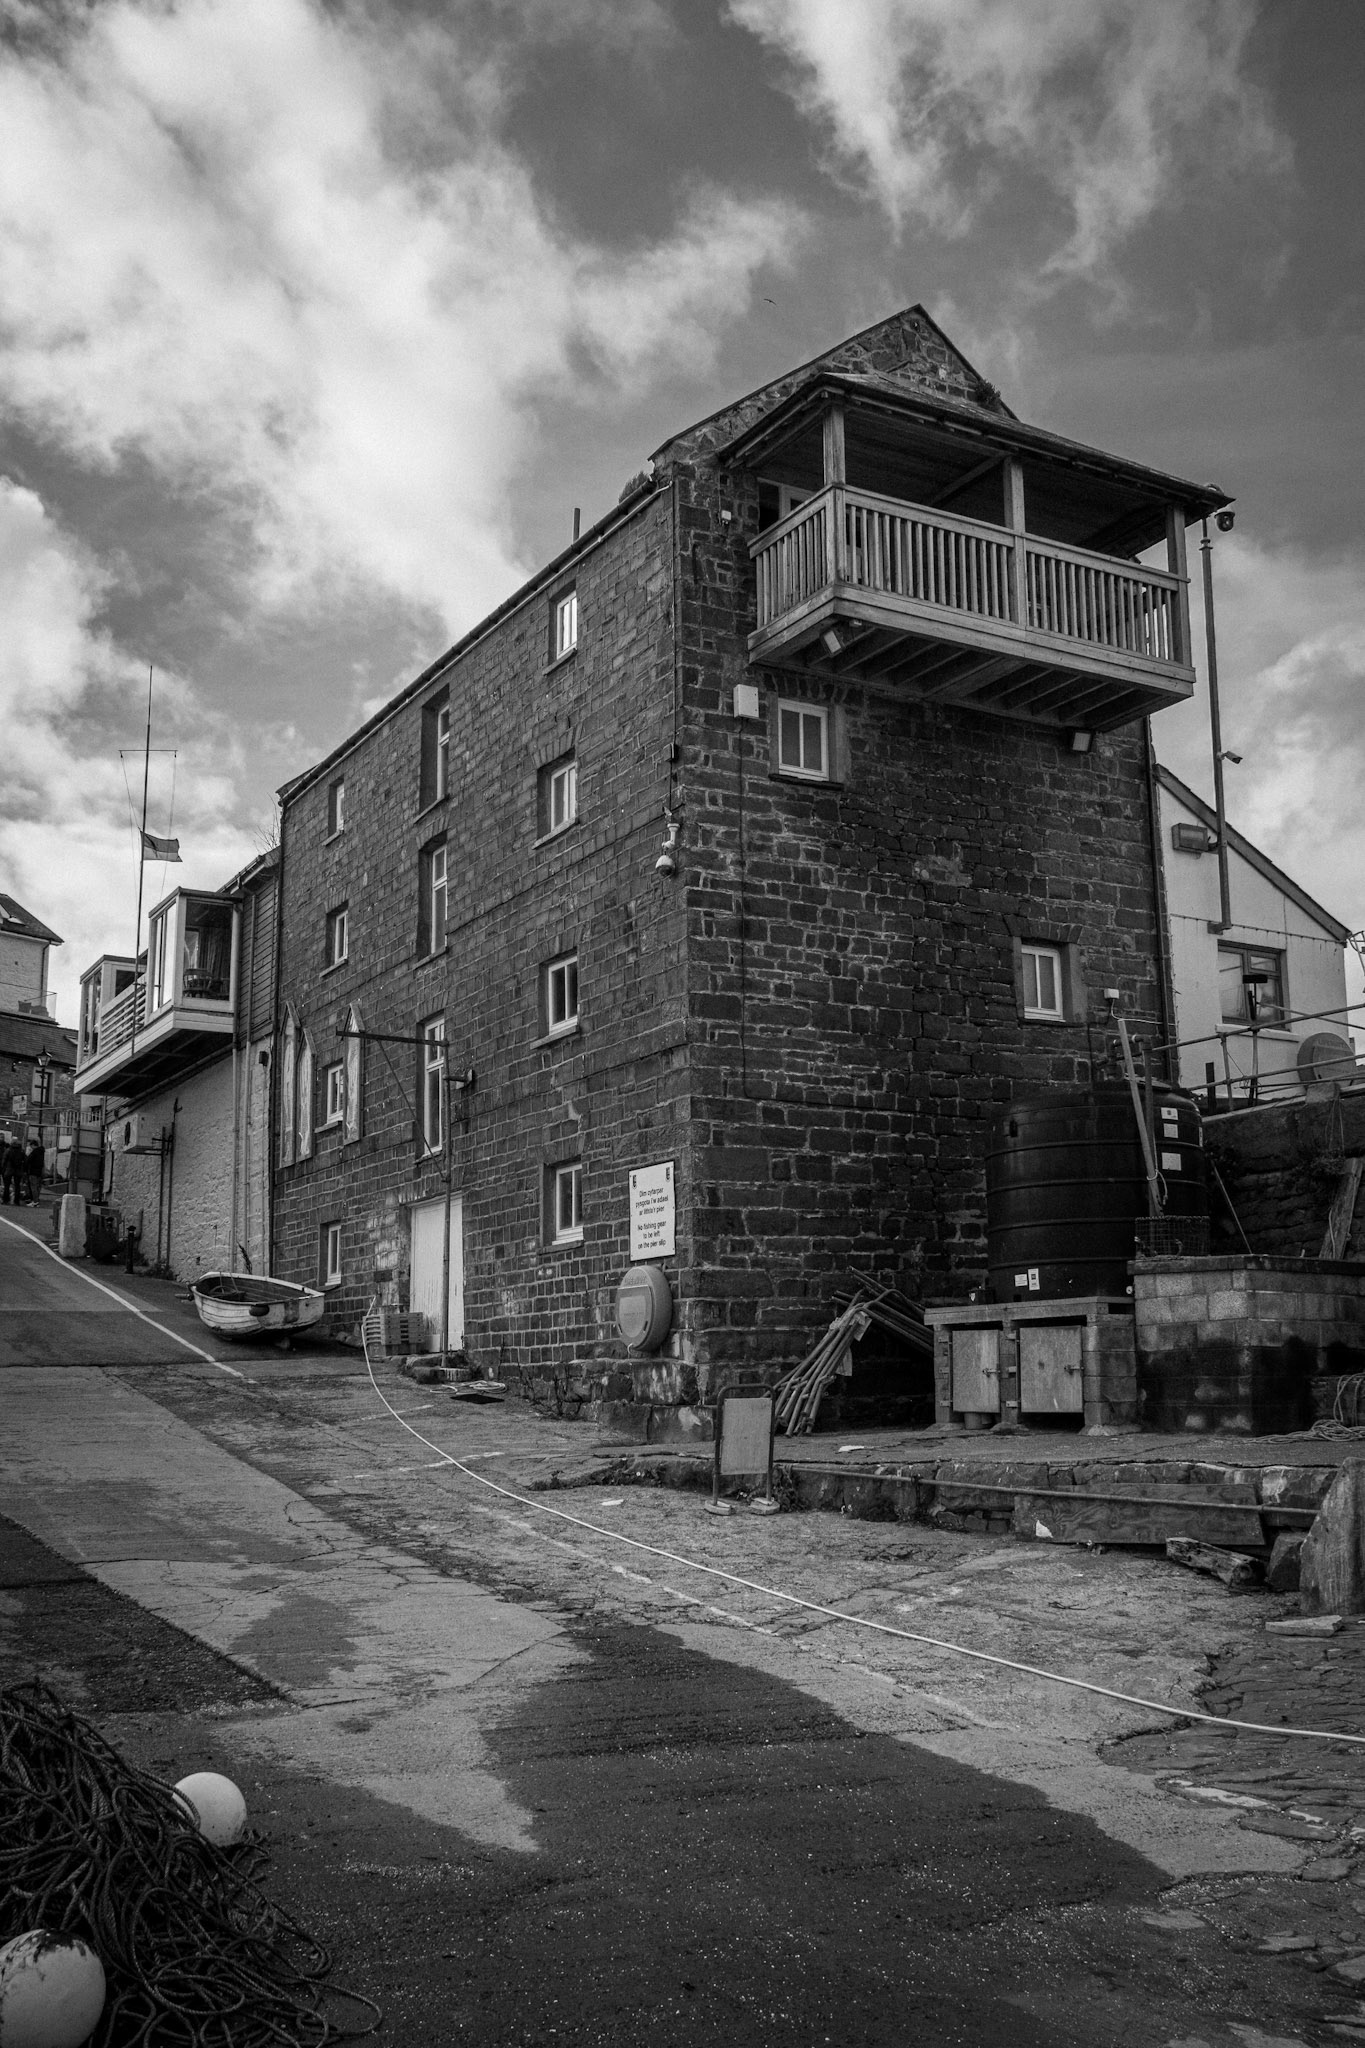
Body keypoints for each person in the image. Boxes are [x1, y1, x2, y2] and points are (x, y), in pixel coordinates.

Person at [0, 1135, 23, 1206]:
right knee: (17, 1186)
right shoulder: (21, 1150)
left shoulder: (8, 1150)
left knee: (7, 1185)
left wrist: (3, 1168)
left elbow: (4, 1160)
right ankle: (17, 1201)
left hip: (9, 1169)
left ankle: (6, 1199)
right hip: (18, 1170)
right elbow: (25, 1160)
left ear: (11, 1142)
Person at [24, 1137, 44, 1204]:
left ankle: (35, 1201)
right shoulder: (41, 1152)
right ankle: (37, 1200)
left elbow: (28, 1160)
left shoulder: (34, 1152)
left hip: (33, 1171)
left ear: (33, 1145)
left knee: (33, 1187)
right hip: (39, 1171)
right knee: (37, 1187)